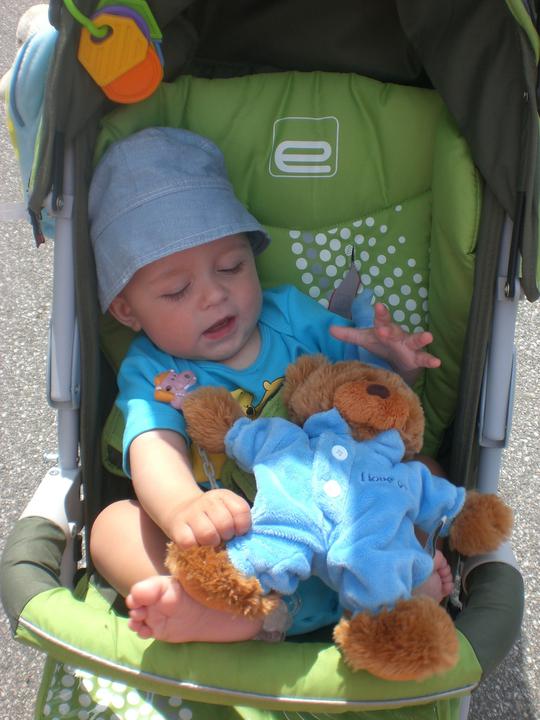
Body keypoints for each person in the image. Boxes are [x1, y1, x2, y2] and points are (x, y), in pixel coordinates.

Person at [89, 127, 451, 644]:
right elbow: (153, 445)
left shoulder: (293, 317)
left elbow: (373, 400)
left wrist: (397, 364)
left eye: (231, 267)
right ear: (127, 310)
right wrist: (183, 506)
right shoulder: (154, 369)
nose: (214, 295)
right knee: (112, 526)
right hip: (232, 564)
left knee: (423, 471)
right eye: (177, 290)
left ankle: (402, 583)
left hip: (349, 536)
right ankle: (208, 611)